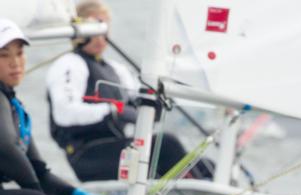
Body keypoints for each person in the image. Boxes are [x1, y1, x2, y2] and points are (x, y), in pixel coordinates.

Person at [45, 0, 214, 182]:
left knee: (205, 164)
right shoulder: (69, 64)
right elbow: (64, 114)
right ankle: (194, 193)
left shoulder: (116, 69)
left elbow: (138, 102)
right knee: (165, 145)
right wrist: (113, 111)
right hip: (87, 154)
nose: (101, 36)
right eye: (95, 27)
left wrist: (154, 102)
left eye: (104, 28)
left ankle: (209, 194)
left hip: (118, 147)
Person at [0, 18, 101, 195]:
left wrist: (74, 194)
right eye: (4, 55)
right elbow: (5, 148)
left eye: (19, 53)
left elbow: (38, 170)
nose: (15, 62)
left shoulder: (13, 104)